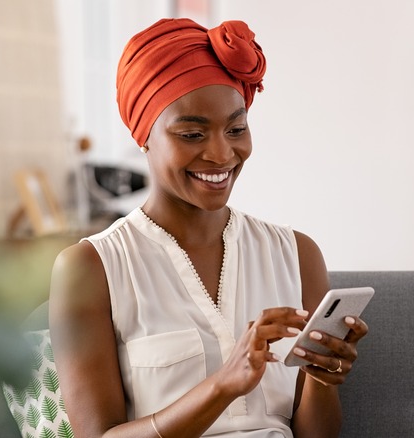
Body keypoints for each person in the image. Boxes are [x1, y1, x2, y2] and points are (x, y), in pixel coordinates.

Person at [49, 17, 368, 438]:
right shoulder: (90, 267)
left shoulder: (297, 254)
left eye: (236, 129)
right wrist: (223, 385)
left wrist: (323, 379)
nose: (221, 154)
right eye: (193, 134)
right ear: (144, 136)